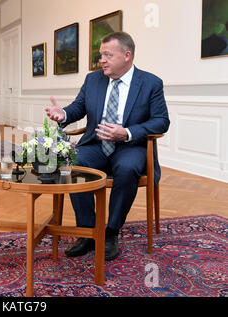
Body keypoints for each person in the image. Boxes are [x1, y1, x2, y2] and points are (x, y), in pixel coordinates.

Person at [46, 32, 170, 261]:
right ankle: (88, 231)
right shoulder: (93, 80)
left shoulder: (150, 83)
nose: (101, 60)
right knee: (73, 163)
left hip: (131, 146)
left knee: (127, 168)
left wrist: (127, 133)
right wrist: (62, 114)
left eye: (107, 55)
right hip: (96, 144)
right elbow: (78, 108)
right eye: (100, 54)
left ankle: (111, 232)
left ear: (127, 55)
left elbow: (161, 121)